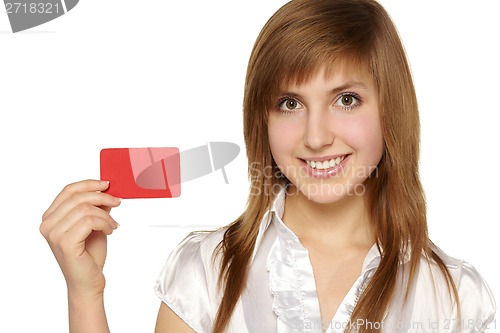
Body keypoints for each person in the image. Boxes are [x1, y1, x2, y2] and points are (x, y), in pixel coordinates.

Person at [40, 0, 496, 332]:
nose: (316, 137)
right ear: (263, 116)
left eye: (346, 99)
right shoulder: (207, 272)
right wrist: (86, 294)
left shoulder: (455, 298)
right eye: (290, 102)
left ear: (390, 110)